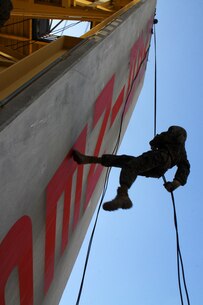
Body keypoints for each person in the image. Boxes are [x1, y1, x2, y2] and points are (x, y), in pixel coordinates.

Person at [73, 126, 190, 212]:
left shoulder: (171, 135)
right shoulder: (182, 152)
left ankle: (123, 195)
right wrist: (175, 183)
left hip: (160, 156)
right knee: (126, 162)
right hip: (159, 171)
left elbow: (155, 141)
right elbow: (184, 167)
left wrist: (155, 144)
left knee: (131, 166)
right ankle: (88, 159)